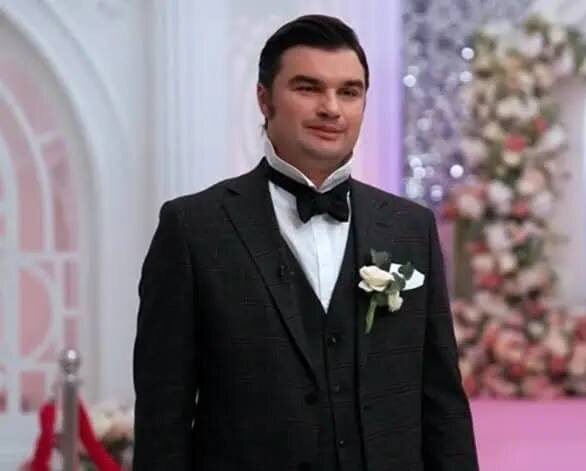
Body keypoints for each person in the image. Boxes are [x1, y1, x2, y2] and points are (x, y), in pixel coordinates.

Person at [132, 14, 479, 471]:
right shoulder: (193, 228)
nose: (331, 108)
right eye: (308, 88)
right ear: (265, 99)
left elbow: (443, 402)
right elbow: (163, 416)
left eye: (349, 92)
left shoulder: (410, 228)